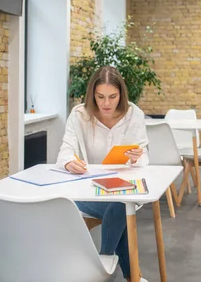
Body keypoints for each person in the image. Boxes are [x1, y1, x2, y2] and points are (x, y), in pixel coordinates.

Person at [56, 66, 149, 282]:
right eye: (100, 97)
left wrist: (137, 158)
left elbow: (145, 156)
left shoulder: (134, 114)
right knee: (120, 206)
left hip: (122, 188)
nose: (106, 103)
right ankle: (128, 274)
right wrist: (69, 162)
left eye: (112, 97)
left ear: (121, 95)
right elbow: (65, 151)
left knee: (119, 203)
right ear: (92, 95)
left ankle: (106, 265)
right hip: (86, 191)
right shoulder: (79, 115)